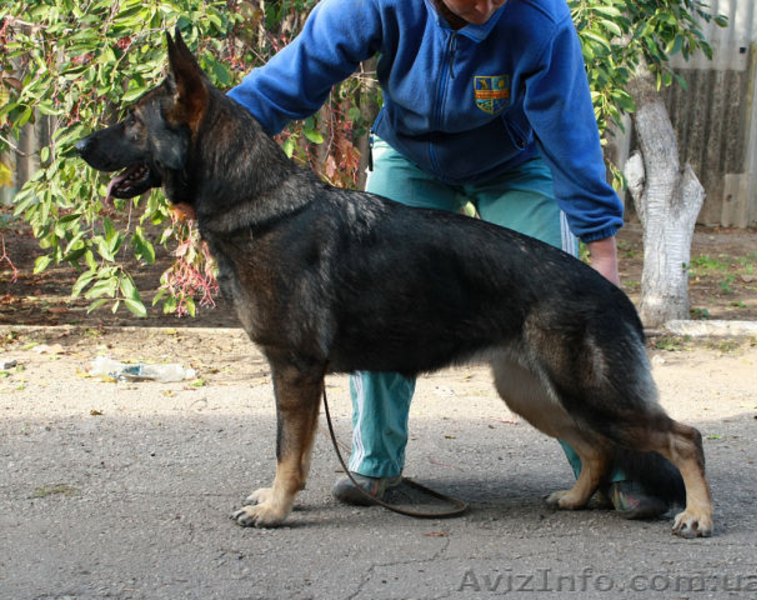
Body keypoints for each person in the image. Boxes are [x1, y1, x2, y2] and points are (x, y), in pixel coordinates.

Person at [228, 0, 669, 519]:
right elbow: (292, 78)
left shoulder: (541, 18)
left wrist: (602, 250)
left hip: (513, 163)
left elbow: (569, 131)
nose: (485, 6)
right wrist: (212, 134)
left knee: (559, 312)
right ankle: (376, 466)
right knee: (373, 303)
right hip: (410, 157)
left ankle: (619, 469)